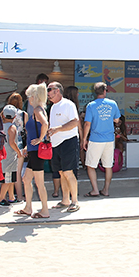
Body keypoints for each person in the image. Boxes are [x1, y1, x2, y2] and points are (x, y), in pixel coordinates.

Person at [14, 83, 50, 219]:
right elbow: (40, 128)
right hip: (33, 150)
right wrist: (28, 146)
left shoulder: (37, 110)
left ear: (34, 97)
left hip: (36, 151)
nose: (28, 99)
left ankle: (44, 210)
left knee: (38, 182)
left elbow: (45, 124)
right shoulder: (39, 109)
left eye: (30, 96)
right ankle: (28, 207)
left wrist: (40, 139)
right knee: (26, 179)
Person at [46, 81, 80, 213]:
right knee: (61, 172)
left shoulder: (68, 104)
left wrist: (58, 129)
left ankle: (75, 201)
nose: (48, 93)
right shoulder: (53, 107)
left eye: (49, 89)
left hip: (68, 141)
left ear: (57, 90)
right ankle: (65, 199)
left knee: (68, 172)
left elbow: (75, 122)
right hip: (56, 143)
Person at [82, 82, 121, 197]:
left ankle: (95, 190)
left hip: (95, 139)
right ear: (105, 91)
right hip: (109, 139)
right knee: (108, 166)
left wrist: (84, 139)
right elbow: (117, 120)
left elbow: (87, 124)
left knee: (91, 165)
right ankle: (106, 190)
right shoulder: (113, 103)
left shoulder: (91, 105)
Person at [0, 105, 21, 206]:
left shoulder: (0, 126)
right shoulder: (12, 127)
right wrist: (19, 152)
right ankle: (1, 198)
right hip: (10, 156)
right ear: (14, 116)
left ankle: (11, 197)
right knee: (8, 179)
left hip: (2, 156)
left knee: (10, 178)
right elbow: (12, 142)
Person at [6, 92, 27, 201]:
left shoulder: (3, 114)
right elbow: (27, 131)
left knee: (8, 171)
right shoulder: (23, 114)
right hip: (19, 144)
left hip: (7, 144)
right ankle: (19, 196)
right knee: (18, 172)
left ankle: (10, 196)